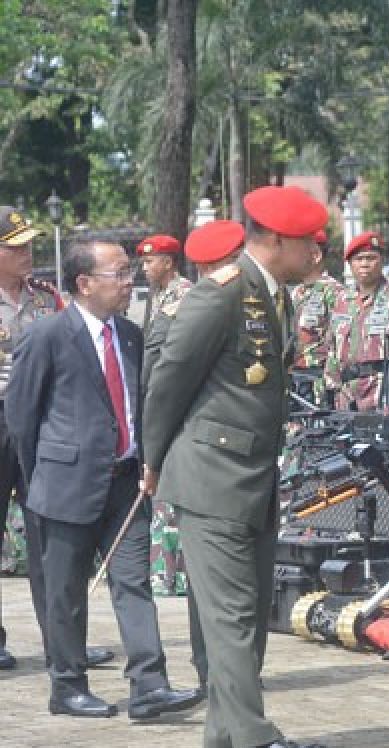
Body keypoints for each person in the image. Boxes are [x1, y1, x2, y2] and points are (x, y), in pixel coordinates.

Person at [142, 186, 329, 748]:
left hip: (252, 476)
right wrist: (152, 460)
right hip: (211, 477)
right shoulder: (220, 294)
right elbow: (168, 379)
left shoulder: (275, 298)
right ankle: (255, 746)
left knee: (244, 612)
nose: (317, 255)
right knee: (231, 616)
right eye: (307, 243)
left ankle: (223, 739)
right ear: (275, 240)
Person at [5, 235, 203, 721]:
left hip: (125, 482)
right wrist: (42, 479)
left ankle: (149, 684)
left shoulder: (130, 334)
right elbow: (22, 416)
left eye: (129, 270)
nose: (129, 280)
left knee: (134, 582)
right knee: (65, 591)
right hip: (64, 483)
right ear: (84, 282)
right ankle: (67, 685)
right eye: (118, 273)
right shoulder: (48, 335)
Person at [142, 219, 245, 692]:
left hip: (204, 440)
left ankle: (218, 673)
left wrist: (155, 448)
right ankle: (215, 671)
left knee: (213, 573)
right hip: (187, 435)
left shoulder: (196, 296)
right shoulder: (186, 299)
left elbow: (173, 374)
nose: (145, 267)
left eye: (150, 259)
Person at [0, 205, 65, 671]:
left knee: (47, 534)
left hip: (38, 426)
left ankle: (61, 641)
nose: (27, 252)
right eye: (16, 246)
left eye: (28, 244)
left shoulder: (46, 297)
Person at [324, 231, 389, 411]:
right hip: (346, 397)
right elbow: (332, 347)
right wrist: (330, 388)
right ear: (349, 264)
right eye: (359, 259)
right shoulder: (341, 300)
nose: (365, 264)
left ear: (382, 260)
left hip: (383, 394)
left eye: (371, 258)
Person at [291, 228, 343, 407]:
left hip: (319, 378)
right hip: (295, 376)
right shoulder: (297, 292)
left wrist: (331, 381)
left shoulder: (334, 291)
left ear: (315, 255)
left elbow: (338, 340)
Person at [137, 234, 189, 330]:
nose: (144, 268)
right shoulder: (156, 290)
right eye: (143, 263)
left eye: (149, 262)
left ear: (168, 263)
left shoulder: (185, 293)